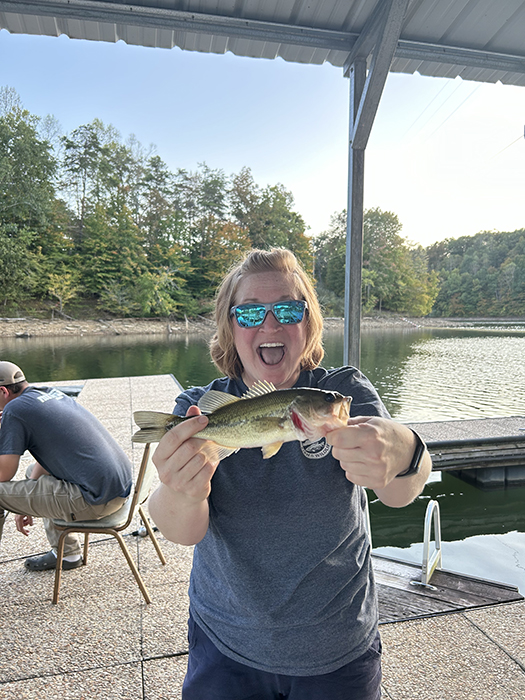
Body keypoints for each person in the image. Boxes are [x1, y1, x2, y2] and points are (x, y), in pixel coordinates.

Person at [148, 248, 432, 699]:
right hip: (226, 644)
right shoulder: (199, 411)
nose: (270, 324)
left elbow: (402, 492)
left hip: (338, 646)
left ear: (308, 322)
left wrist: (406, 450)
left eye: (287, 309)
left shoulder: (347, 393)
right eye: (250, 313)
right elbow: (181, 530)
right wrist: (180, 490)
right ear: (229, 326)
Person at [0, 361, 132, 571]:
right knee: (31, 473)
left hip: (95, 501)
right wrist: (23, 503)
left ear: (3, 391)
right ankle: (68, 554)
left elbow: (3, 474)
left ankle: (67, 553)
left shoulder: (15, 410)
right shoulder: (49, 393)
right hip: (118, 491)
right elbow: (49, 459)